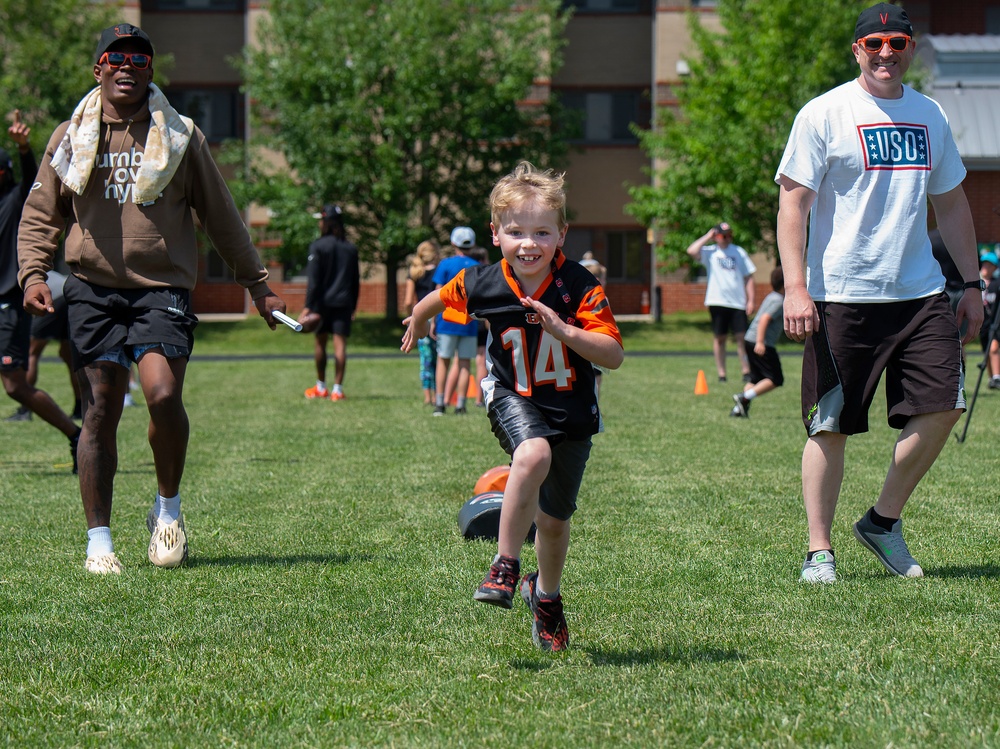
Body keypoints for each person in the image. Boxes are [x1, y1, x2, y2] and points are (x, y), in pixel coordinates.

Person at [17, 23, 287, 575]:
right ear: (99, 69)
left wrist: (257, 284)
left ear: (150, 72)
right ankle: (99, 542)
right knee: (100, 411)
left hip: (162, 288)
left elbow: (221, 215)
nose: (127, 67)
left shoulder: (181, 136)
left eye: (139, 60)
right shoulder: (71, 136)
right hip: (92, 289)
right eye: (116, 58)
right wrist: (33, 274)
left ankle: (167, 511)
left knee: (162, 395)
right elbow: (42, 214)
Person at [776, 3, 983, 584]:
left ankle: (882, 521)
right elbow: (793, 202)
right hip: (840, 294)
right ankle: (820, 550)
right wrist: (796, 287)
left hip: (919, 293)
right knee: (829, 424)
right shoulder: (825, 113)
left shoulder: (930, 114)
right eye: (875, 43)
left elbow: (953, 203)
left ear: (911, 48)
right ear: (858, 50)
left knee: (944, 404)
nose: (886, 52)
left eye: (897, 42)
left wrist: (972, 283)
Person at [402, 162, 624, 652]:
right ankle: (505, 564)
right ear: (495, 234)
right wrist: (417, 320)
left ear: (562, 234)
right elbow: (437, 299)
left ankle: (545, 596)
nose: (529, 243)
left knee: (554, 521)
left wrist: (566, 331)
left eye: (542, 232)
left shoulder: (579, 285)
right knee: (532, 455)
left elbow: (614, 354)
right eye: (516, 231)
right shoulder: (482, 282)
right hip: (512, 393)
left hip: (573, 408)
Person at [0, 111, 82, 461]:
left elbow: (34, 181)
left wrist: (23, 150)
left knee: (15, 386)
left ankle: (76, 435)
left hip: (8, 305)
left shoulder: (16, 200)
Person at [298, 204, 360, 401]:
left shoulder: (318, 246)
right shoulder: (350, 248)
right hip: (343, 303)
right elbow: (355, 281)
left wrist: (307, 307)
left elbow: (313, 282)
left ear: (326, 222)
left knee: (320, 343)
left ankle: (321, 387)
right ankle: (338, 391)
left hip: (321, 304)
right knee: (340, 347)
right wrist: (354, 306)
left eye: (321, 220)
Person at [5, 270, 83, 423]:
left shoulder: (10, 274)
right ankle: (80, 408)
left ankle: (25, 409)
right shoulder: (28, 264)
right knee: (69, 355)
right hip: (70, 295)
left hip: (52, 298)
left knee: (32, 351)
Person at [686, 222, 756, 383]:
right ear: (716, 236)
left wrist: (751, 300)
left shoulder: (739, 252)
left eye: (729, 235)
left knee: (741, 338)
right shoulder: (710, 252)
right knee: (720, 338)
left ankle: (746, 371)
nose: (727, 238)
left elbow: (749, 278)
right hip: (717, 301)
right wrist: (708, 236)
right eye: (723, 235)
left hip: (738, 302)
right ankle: (722, 374)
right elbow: (691, 250)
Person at [430, 226, 480, 416]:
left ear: (453, 243)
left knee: (443, 360)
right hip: (468, 320)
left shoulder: (445, 264)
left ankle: (440, 403)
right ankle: (460, 404)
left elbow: (438, 293)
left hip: (447, 320)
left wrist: (433, 320)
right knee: (465, 363)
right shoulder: (477, 266)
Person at [730, 267, 784, 418]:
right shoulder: (779, 301)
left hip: (750, 340)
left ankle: (738, 409)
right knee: (775, 379)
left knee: (755, 378)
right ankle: (744, 397)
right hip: (761, 342)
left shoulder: (772, 296)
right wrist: (760, 342)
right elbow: (764, 319)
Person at [401, 239, 440, 405]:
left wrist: (413, 319)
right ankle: (440, 395)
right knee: (440, 358)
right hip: (438, 317)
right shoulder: (440, 271)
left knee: (425, 359)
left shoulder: (414, 273)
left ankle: (427, 396)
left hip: (421, 319)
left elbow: (408, 301)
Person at [466, 245, 491, 407]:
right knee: (482, 359)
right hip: (482, 320)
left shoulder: (467, 275)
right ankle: (478, 399)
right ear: (482, 259)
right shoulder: (487, 274)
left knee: (461, 360)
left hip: (467, 321)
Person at [978, 252, 1000, 388]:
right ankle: (991, 378)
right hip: (983, 324)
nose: (985, 266)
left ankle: (997, 377)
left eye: (989, 264)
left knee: (993, 349)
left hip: (996, 323)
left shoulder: (997, 284)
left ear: (995, 268)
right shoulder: (976, 284)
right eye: (984, 263)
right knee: (986, 351)